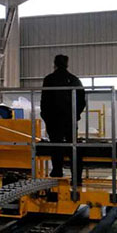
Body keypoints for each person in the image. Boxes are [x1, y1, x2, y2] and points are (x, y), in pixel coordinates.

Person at [41, 54, 86, 183]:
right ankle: (76, 177)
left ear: (54, 64)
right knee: (73, 147)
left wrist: (46, 117)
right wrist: (75, 115)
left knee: (56, 146)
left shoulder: (49, 80)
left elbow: (45, 101)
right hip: (70, 119)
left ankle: (57, 172)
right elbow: (82, 100)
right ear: (67, 64)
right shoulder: (74, 80)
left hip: (54, 121)